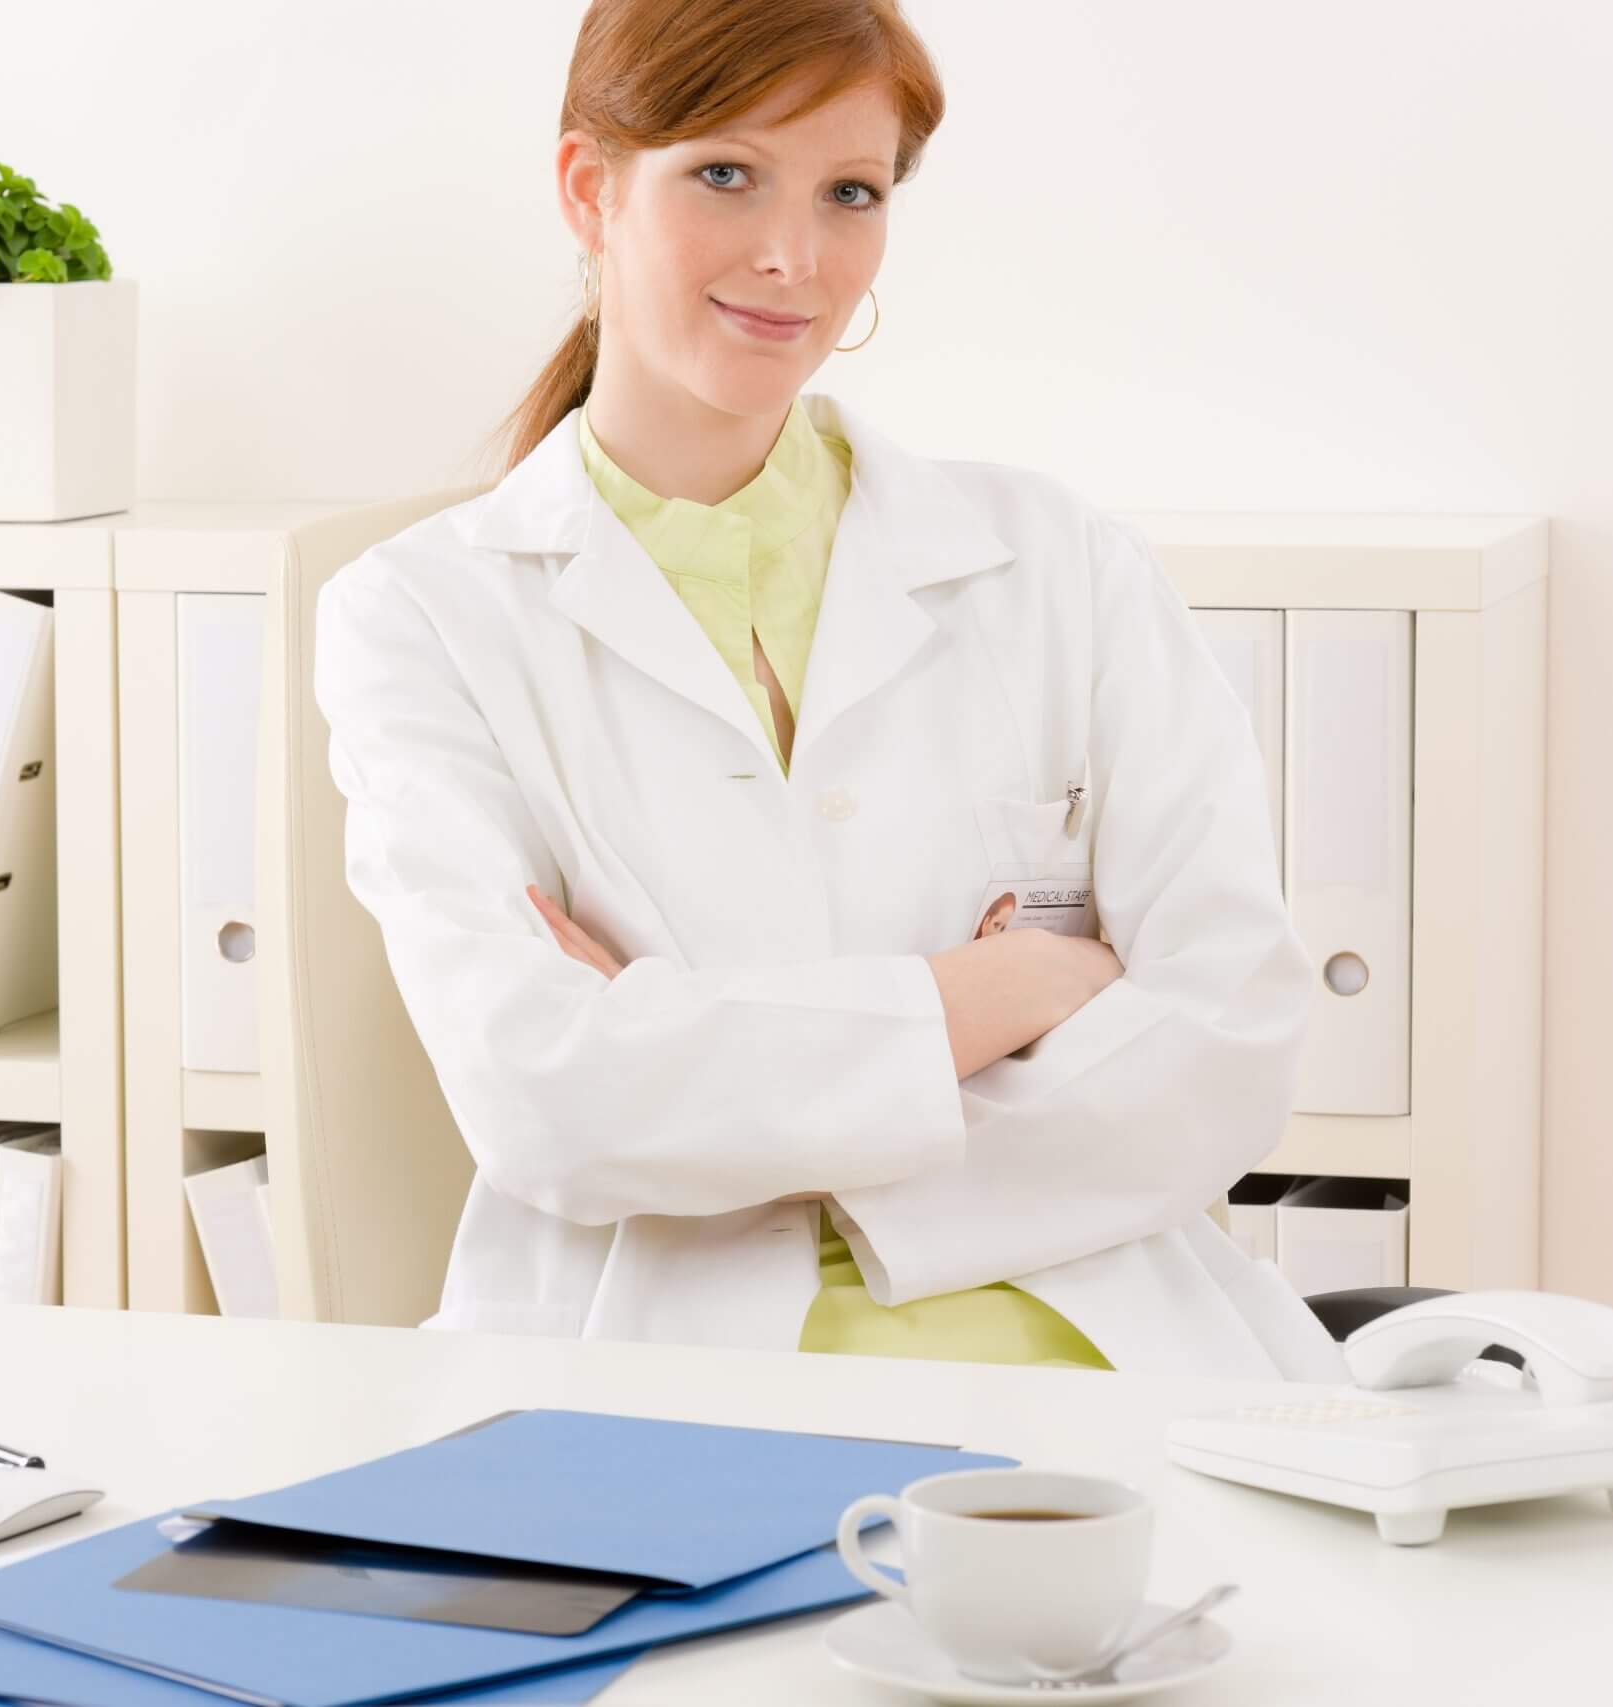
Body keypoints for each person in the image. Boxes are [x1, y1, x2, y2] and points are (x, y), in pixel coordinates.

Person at [311, 0, 1342, 1381]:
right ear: (589, 189)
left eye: (850, 193)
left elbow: (1229, 1041)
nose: (794, 256)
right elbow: (548, 1103)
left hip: (1104, 1357)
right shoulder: (420, 614)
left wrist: (713, 1095)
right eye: (725, 174)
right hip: (664, 1376)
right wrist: (1023, 984)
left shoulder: (1058, 565)